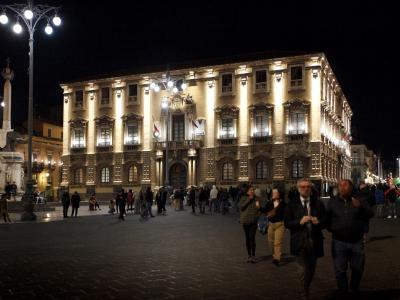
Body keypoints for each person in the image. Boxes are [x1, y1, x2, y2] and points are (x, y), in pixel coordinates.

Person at [326, 179, 374, 296]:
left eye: (345, 185)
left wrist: (361, 207)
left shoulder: (360, 199)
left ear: (351, 187)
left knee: (357, 269)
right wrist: (333, 229)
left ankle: (354, 287)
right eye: (340, 185)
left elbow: (370, 213)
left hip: (356, 241)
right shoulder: (332, 202)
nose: (342, 187)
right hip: (339, 241)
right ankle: (343, 291)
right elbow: (327, 219)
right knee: (340, 269)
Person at [284, 178, 326, 300]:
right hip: (299, 240)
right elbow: (287, 223)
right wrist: (299, 222)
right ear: (298, 189)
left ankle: (305, 287)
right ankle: (304, 293)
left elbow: (325, 220)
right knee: (302, 269)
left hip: (314, 240)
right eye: (303, 187)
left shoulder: (318, 203)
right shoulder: (291, 204)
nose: (306, 189)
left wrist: (319, 221)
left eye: (308, 187)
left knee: (312, 269)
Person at [260, 188, 285, 266]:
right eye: (272, 193)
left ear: (279, 194)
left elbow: (287, 214)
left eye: (275, 193)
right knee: (270, 242)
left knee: (277, 242)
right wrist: (259, 207)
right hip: (271, 224)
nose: (273, 194)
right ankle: (274, 255)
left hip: (280, 225)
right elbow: (264, 210)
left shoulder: (284, 204)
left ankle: (277, 259)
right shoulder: (269, 203)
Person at [239, 184, 260, 264]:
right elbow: (241, 207)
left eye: (253, 190)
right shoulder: (243, 198)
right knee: (247, 238)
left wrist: (257, 217)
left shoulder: (257, 199)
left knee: (252, 238)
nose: (252, 191)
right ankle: (249, 255)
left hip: (253, 221)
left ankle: (253, 255)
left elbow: (259, 209)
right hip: (245, 221)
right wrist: (248, 200)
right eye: (251, 190)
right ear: (247, 191)